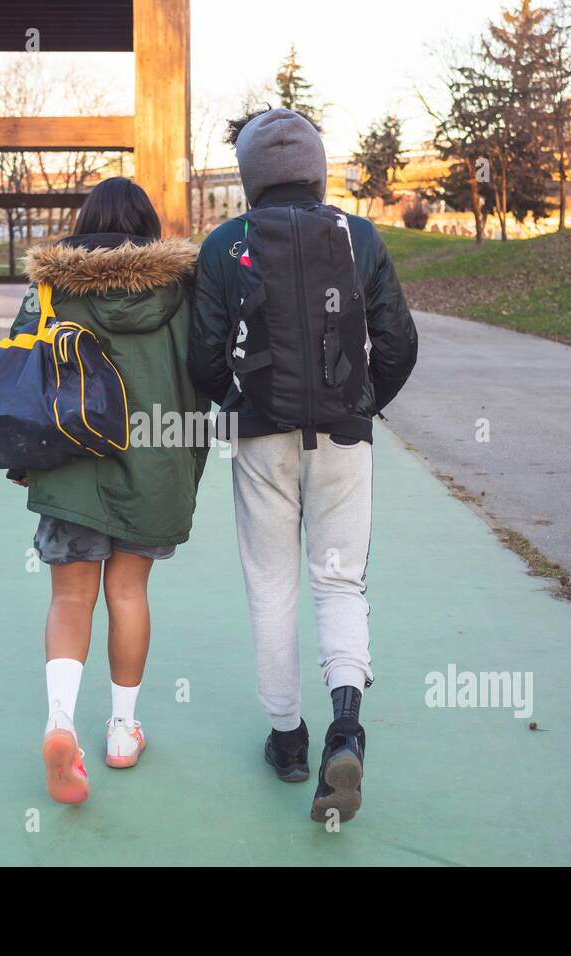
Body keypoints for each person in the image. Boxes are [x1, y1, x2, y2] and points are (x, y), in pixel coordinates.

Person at [189, 107, 418, 825]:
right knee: (340, 582)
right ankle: (345, 726)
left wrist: (236, 398)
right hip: (345, 437)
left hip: (262, 436)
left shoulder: (225, 245)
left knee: (271, 586)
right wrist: (362, 401)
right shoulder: (359, 237)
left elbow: (202, 358)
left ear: (251, 179)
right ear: (317, 170)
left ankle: (288, 741)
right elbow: (398, 341)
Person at [7, 177, 207, 805]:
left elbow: (20, 372)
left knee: (71, 598)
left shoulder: (52, 286)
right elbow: (205, 378)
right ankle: (122, 730)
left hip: (71, 465)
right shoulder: (183, 288)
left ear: (85, 220)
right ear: (149, 225)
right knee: (129, 592)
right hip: (155, 464)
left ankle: (59, 724)